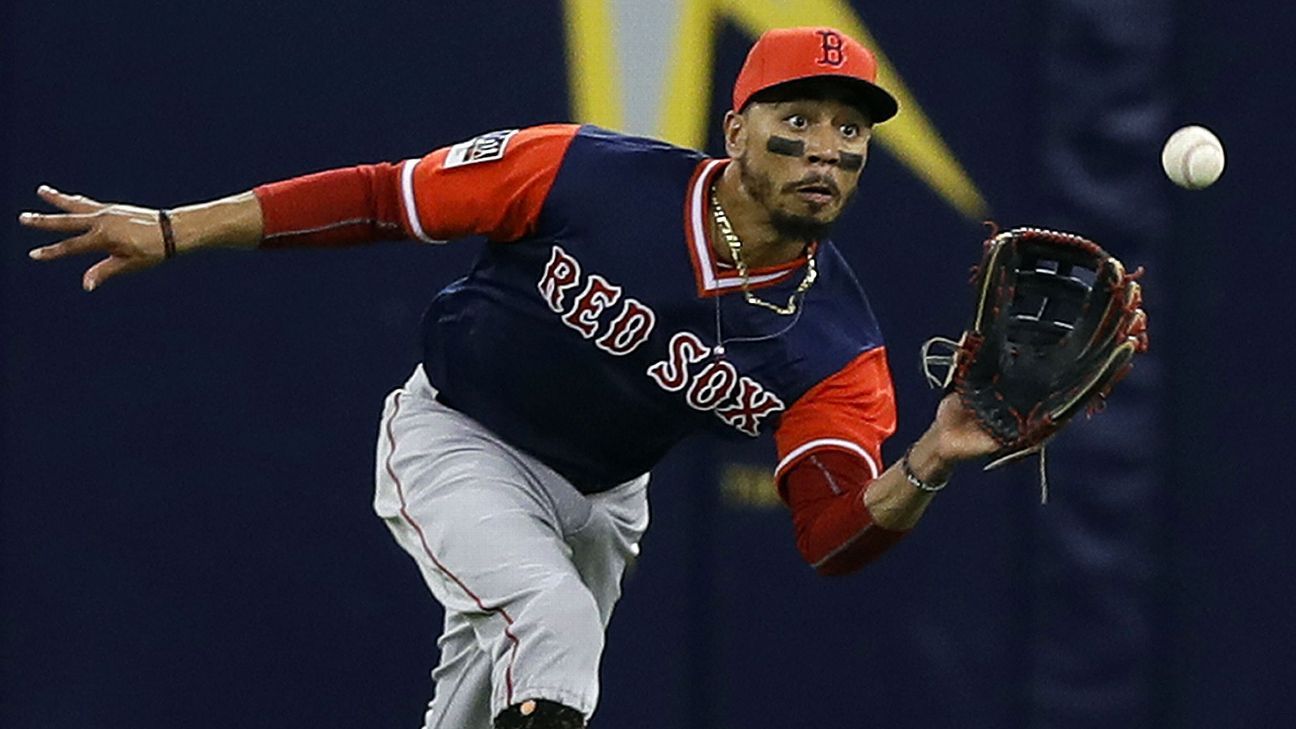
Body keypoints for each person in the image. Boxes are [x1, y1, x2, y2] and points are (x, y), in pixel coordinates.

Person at [21, 26, 1002, 729]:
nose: (827, 149)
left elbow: (832, 534)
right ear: (736, 127)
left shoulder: (837, 345)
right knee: (551, 621)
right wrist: (169, 228)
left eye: (851, 131)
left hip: (604, 502)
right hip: (459, 437)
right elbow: (379, 198)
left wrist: (933, 457)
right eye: (800, 118)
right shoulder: (590, 175)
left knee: (490, 692)